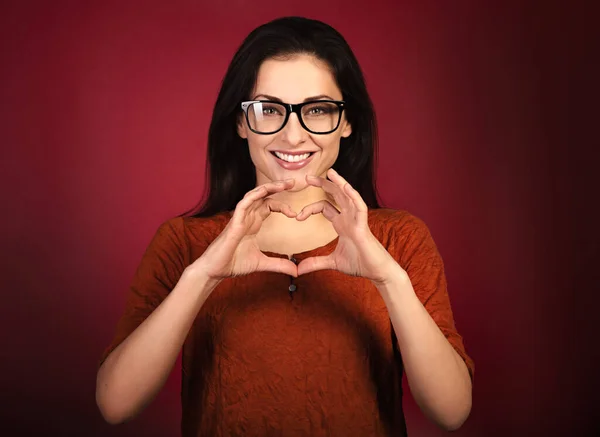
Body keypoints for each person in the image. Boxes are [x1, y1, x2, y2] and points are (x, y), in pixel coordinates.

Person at [96, 16, 474, 437]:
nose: (293, 135)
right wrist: (202, 277)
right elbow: (115, 404)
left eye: (317, 109)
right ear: (241, 122)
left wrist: (388, 278)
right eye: (268, 109)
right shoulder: (184, 242)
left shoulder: (399, 238)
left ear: (348, 122)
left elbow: (451, 411)